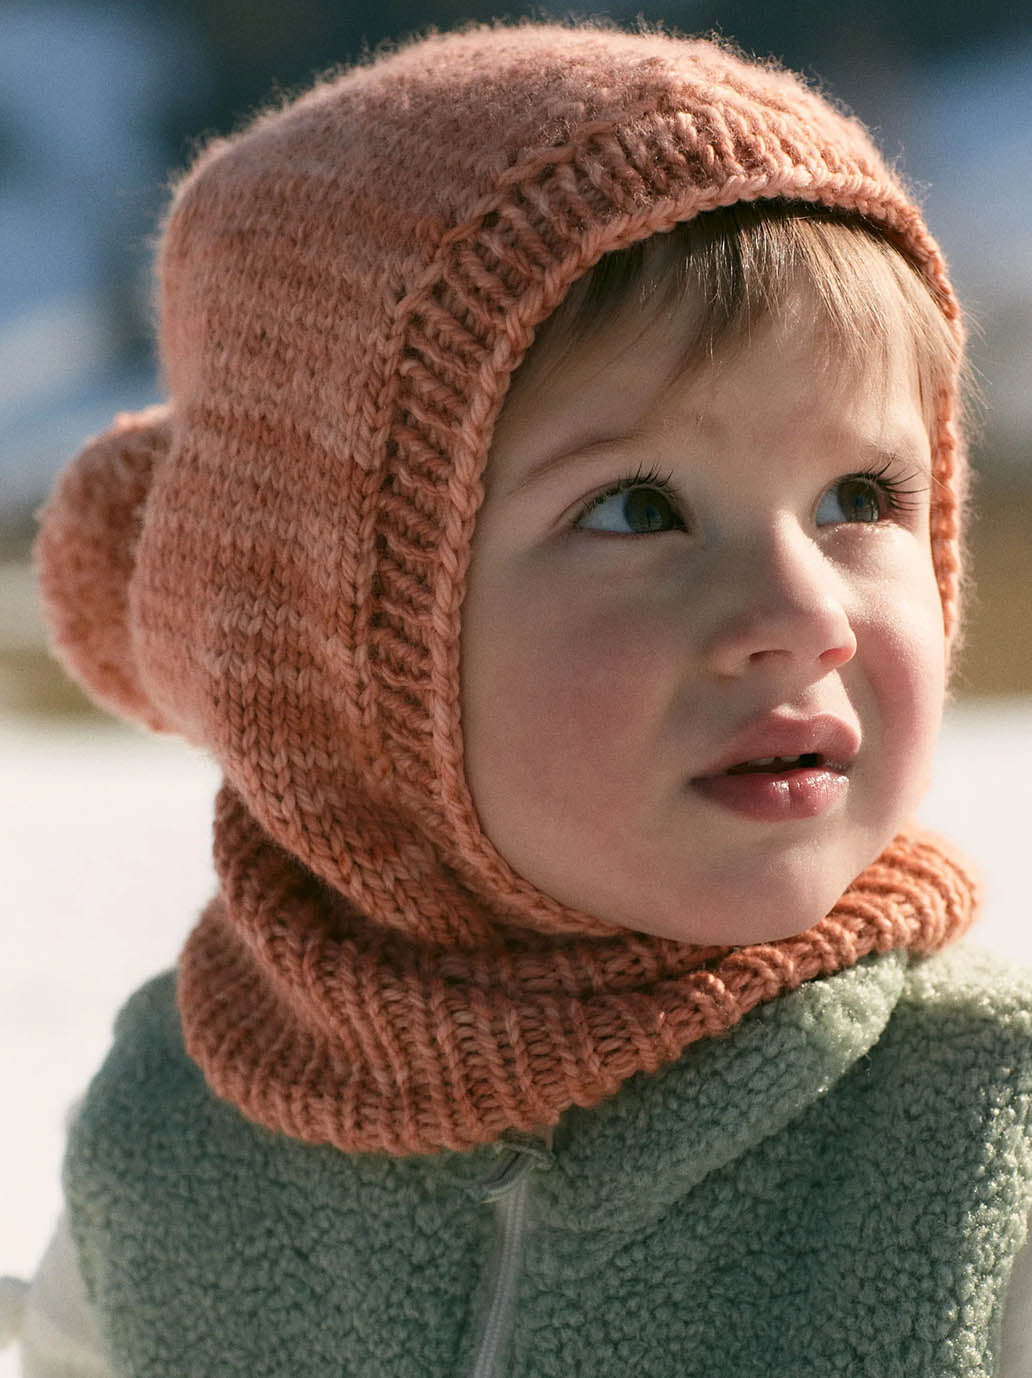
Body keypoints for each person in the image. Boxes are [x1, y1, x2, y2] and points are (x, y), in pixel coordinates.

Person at [5, 21, 1032, 1377]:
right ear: (340, 640)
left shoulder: (973, 1144)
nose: (801, 617)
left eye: (862, 499)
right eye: (640, 508)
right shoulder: (177, 1147)